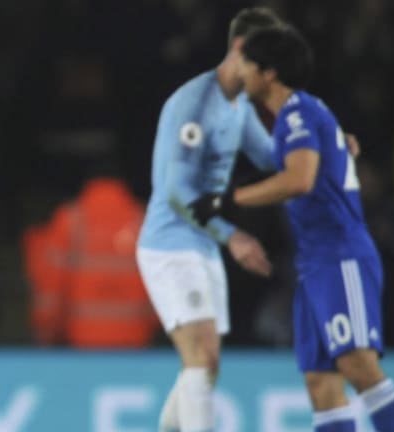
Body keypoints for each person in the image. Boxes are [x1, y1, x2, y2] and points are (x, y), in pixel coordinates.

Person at [189, 26, 394, 431]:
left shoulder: (299, 113)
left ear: (268, 72)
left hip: (340, 255)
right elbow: (321, 157)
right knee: (320, 384)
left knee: (359, 367)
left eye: (246, 64)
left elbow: (300, 179)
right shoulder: (301, 117)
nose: (240, 73)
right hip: (313, 265)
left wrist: (229, 201)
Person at [135, 8, 281, 432]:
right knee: (202, 358)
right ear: (238, 50)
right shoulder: (195, 104)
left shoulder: (236, 106)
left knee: (206, 367)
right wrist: (233, 237)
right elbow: (177, 192)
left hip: (201, 244)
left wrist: (324, 142)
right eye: (263, 65)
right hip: (169, 244)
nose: (268, 77)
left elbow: (271, 155)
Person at [24, 176, 158, 348]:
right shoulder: (143, 222)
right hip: (137, 341)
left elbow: (50, 290)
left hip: (81, 341)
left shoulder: (70, 221)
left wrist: (46, 333)